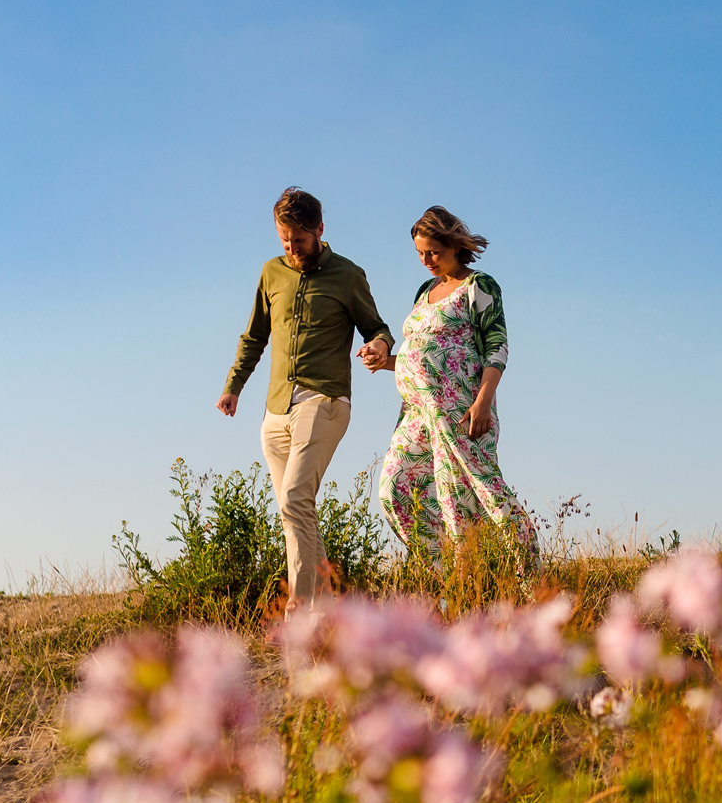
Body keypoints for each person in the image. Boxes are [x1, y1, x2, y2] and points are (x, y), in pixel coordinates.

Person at [217, 187, 395, 602]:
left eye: (299, 240)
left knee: (295, 500)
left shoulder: (348, 275)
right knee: (296, 514)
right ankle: (329, 609)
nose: (292, 248)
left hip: (325, 400)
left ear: (319, 230)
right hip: (276, 409)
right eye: (284, 240)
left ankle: (301, 614)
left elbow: (377, 327)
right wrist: (233, 386)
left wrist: (380, 347)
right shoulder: (271, 272)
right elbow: (254, 336)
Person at [377, 206, 536, 555]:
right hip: (418, 412)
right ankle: (444, 572)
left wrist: (483, 402)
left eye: (433, 251)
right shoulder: (424, 290)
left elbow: (497, 346)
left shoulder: (478, 285)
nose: (426, 260)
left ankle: (527, 571)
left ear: (454, 246)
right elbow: (420, 352)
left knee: (469, 493)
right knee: (394, 486)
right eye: (420, 253)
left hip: (461, 408)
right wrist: (389, 361)